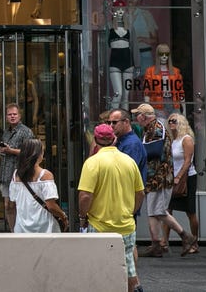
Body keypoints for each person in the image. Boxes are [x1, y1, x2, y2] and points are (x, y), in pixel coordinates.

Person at [78, 124, 144, 292]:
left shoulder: (92, 163)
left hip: (99, 225)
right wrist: (131, 212)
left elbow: (85, 196)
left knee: (98, 266)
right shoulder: (129, 161)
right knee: (128, 265)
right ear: (114, 139)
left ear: (95, 140)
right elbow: (140, 193)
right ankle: (135, 288)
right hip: (126, 224)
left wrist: (82, 217)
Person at [138, 104, 196, 258]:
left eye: (138, 115)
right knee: (152, 212)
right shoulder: (150, 129)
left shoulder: (157, 129)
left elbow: (154, 151)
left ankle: (185, 236)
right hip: (153, 177)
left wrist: (139, 151)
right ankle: (156, 244)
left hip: (160, 177)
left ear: (144, 116)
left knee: (159, 211)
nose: (136, 118)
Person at [7, 138, 66, 233]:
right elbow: (51, 206)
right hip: (45, 229)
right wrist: (63, 216)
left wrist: (13, 228)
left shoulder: (16, 175)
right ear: (38, 154)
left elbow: (11, 206)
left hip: (21, 229)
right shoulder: (45, 175)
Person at [163, 113, 200, 254]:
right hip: (173, 179)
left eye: (174, 121)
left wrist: (178, 176)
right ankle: (164, 242)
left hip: (187, 178)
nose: (171, 123)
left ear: (181, 123)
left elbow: (187, 160)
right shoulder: (172, 140)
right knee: (167, 210)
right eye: (170, 121)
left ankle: (194, 242)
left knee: (190, 212)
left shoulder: (186, 139)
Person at [0, 103, 35, 230]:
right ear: (6, 117)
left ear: (19, 115)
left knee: (18, 204)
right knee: (7, 205)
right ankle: (13, 231)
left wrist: (10, 151)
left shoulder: (26, 132)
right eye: (9, 114)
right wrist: (2, 151)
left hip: (19, 174)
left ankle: (21, 231)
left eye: (14, 114)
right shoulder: (6, 132)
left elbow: (31, 152)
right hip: (5, 173)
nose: (12, 116)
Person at [123, 0, 159, 71]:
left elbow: (155, 40)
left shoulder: (146, 15)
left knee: (146, 82)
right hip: (126, 54)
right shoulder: (120, 14)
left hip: (145, 54)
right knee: (127, 82)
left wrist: (141, 39)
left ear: (140, 0)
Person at [141, 44, 185, 115]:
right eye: (161, 54)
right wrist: (147, 107)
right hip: (158, 104)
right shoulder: (150, 71)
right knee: (160, 125)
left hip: (173, 103)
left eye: (166, 54)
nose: (164, 56)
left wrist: (184, 110)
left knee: (175, 125)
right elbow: (147, 91)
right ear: (158, 55)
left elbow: (180, 91)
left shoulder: (176, 71)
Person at [109, 109, 147, 187]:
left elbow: (125, 173)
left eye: (114, 122)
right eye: (109, 122)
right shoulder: (119, 140)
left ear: (126, 122)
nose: (111, 126)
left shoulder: (132, 144)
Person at [107, 2, 132, 111]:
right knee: (118, 93)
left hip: (128, 62)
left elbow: (134, 45)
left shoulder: (129, 27)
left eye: (122, 9)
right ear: (114, 11)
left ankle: (125, 120)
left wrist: (138, 64)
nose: (120, 11)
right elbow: (104, 46)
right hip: (115, 62)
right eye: (117, 9)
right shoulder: (108, 26)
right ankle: (112, 118)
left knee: (126, 95)